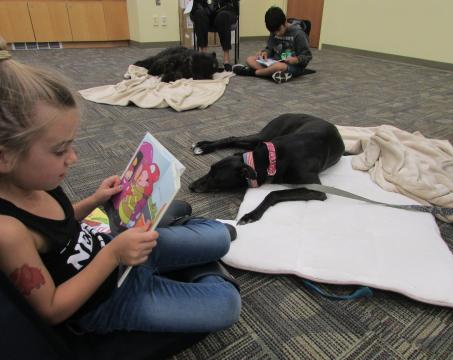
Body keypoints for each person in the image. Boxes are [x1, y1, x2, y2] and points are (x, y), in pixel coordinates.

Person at [0, 39, 241, 334]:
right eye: (60, 150)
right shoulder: (7, 232)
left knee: (221, 238)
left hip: (114, 246)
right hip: (108, 300)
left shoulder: (36, 179)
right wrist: (113, 255)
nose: (73, 158)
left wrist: (94, 200)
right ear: (5, 157)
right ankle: (187, 254)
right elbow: (51, 309)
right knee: (226, 305)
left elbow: (58, 224)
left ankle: (181, 244)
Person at [233, 6, 312, 84]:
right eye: (274, 32)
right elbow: (270, 48)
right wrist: (265, 53)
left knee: (279, 67)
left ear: (284, 23)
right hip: (274, 62)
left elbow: (307, 56)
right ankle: (272, 73)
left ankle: (254, 73)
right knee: (250, 59)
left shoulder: (299, 34)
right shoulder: (274, 30)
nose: (276, 34)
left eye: (278, 30)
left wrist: (296, 59)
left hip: (293, 66)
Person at [190, 0, 239, 72]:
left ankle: (226, 59)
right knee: (199, 14)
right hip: (205, 11)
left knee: (223, 16)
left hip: (225, 10)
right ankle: (204, 57)